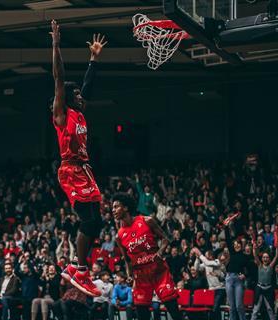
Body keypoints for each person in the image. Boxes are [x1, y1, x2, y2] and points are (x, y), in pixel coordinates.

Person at [49, 19, 107, 297]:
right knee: (89, 221)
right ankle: (80, 269)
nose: (81, 97)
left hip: (84, 169)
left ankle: (76, 267)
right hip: (70, 169)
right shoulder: (62, 115)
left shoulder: (80, 111)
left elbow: (87, 84)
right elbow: (59, 78)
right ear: (67, 99)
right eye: (76, 95)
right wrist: (56, 45)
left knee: (97, 221)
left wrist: (93, 60)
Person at [112, 193, 182, 320]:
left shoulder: (146, 221)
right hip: (140, 276)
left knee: (174, 311)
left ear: (126, 208)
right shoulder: (119, 236)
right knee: (142, 315)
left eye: (116, 207)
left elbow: (166, 239)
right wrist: (129, 275)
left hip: (158, 271)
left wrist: (160, 253)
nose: (113, 210)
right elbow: (127, 260)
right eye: (113, 208)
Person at [192, 248, 226, 320]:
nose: (205, 257)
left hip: (220, 289)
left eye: (206, 256)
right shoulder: (206, 264)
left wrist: (199, 253)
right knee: (212, 309)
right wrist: (197, 258)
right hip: (211, 290)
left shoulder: (217, 262)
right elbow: (196, 268)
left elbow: (207, 262)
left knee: (215, 308)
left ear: (211, 256)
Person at [250, 241, 278, 320]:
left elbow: (276, 256)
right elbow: (255, 255)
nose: (265, 259)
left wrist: (276, 248)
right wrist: (254, 248)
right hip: (259, 288)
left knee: (270, 309)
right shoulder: (259, 265)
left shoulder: (270, 266)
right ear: (262, 259)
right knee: (256, 309)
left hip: (268, 289)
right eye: (264, 257)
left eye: (267, 257)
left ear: (269, 259)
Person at [224, 239, 250, 320]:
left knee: (239, 305)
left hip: (238, 280)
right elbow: (228, 241)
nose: (236, 245)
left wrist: (245, 275)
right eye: (235, 244)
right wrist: (226, 227)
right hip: (229, 278)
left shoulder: (245, 256)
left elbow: (251, 269)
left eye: (238, 244)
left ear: (241, 245)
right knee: (232, 306)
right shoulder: (232, 253)